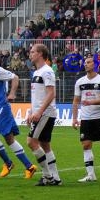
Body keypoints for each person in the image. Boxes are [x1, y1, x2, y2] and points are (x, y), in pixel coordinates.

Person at [72, 57, 100, 182]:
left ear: (95, 65)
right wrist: (74, 118)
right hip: (85, 118)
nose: (86, 64)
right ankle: (91, 175)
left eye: (89, 62)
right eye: (85, 63)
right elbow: (75, 101)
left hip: (99, 117)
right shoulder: (80, 82)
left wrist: (90, 102)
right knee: (86, 145)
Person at [27, 43, 62, 186]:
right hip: (40, 112)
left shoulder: (47, 71)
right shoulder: (36, 72)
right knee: (45, 145)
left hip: (45, 113)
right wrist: (30, 112)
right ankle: (56, 178)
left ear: (40, 54)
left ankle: (47, 176)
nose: (30, 53)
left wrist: (39, 112)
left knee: (31, 142)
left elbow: (51, 93)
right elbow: (37, 96)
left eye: (33, 51)